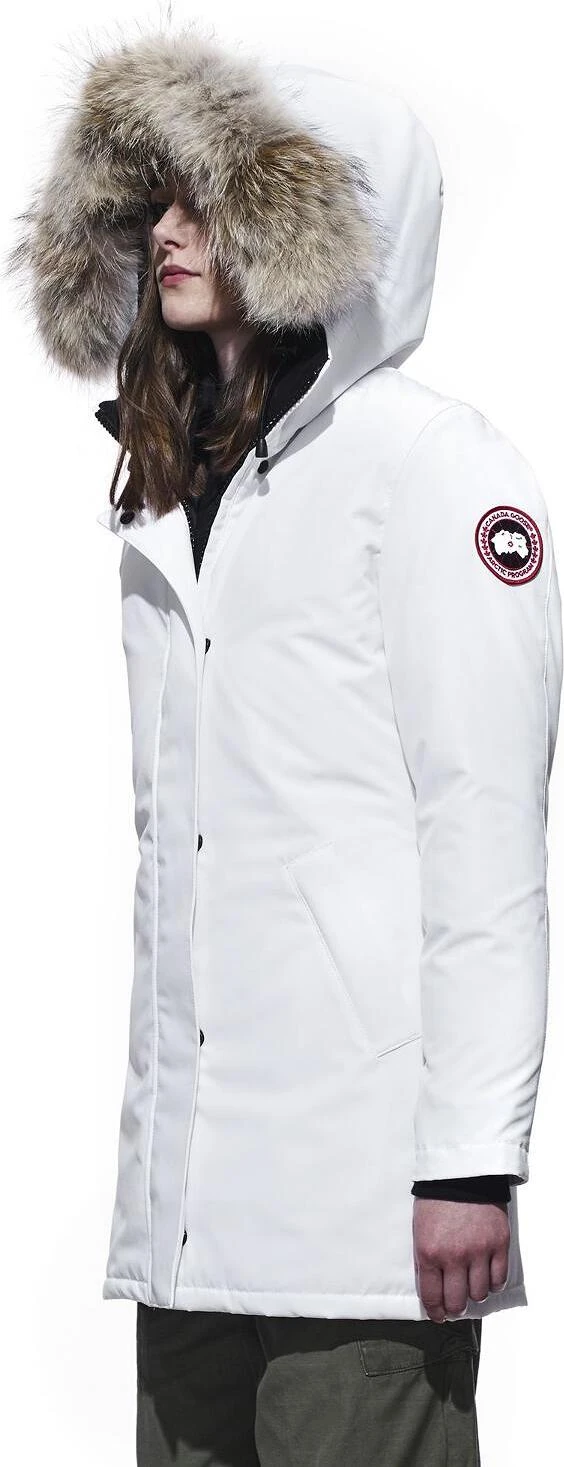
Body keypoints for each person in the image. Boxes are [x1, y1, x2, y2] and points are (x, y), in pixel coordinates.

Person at [5, 18, 562, 1467]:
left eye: (209, 199)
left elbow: (484, 829)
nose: (167, 231)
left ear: (313, 223)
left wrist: (471, 1159)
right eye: (159, 200)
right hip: (188, 1212)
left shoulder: (432, 470)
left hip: (362, 1204)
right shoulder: (163, 488)